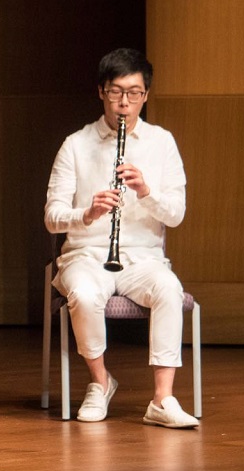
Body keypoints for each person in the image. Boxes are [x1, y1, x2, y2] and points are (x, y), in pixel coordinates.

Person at [44, 48, 198, 429]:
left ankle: (162, 399)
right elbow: (51, 218)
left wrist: (146, 191)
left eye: (134, 93)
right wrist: (87, 214)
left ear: (146, 95)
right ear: (101, 92)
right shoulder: (75, 145)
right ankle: (100, 382)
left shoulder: (162, 143)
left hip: (143, 259)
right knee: (83, 293)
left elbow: (176, 214)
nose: (124, 103)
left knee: (169, 289)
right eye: (116, 92)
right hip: (86, 255)